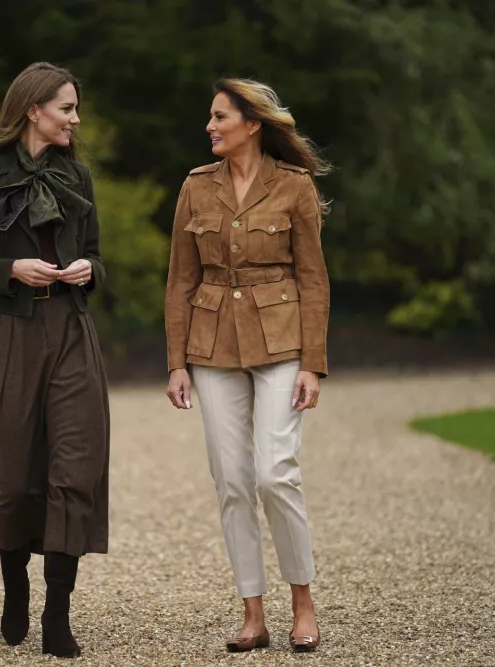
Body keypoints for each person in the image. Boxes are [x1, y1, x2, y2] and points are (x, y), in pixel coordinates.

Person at [0, 62, 109, 659]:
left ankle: (57, 612)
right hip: (10, 331)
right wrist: (9, 269)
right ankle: (15, 588)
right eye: (66, 107)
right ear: (33, 109)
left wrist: (89, 270)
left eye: (76, 108)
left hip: (71, 329)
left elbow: (95, 257)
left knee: (76, 471)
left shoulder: (78, 177)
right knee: (17, 481)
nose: (75, 118)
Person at [164, 78, 330, 653]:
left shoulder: (295, 187)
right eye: (210, 118)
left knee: (274, 472)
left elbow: (312, 278)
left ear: (252, 123)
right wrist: (176, 362)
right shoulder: (195, 188)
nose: (209, 127)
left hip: (283, 343)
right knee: (232, 482)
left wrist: (314, 363)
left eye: (219, 117)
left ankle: (302, 606)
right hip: (211, 348)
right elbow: (181, 279)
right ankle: (253, 615)